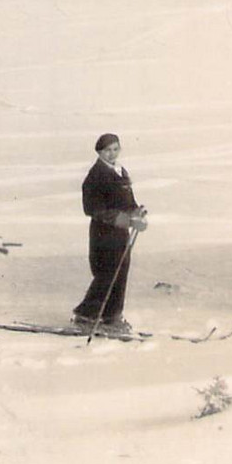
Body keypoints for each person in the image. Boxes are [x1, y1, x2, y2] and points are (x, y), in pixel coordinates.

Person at [73, 132, 146, 333]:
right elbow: (93, 208)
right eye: (107, 150)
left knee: (121, 271)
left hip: (121, 233)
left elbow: (128, 201)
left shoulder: (120, 172)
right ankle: (87, 315)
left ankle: (112, 316)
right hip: (103, 233)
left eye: (115, 149)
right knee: (107, 273)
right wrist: (122, 219)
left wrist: (136, 213)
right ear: (99, 152)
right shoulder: (95, 175)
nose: (112, 154)